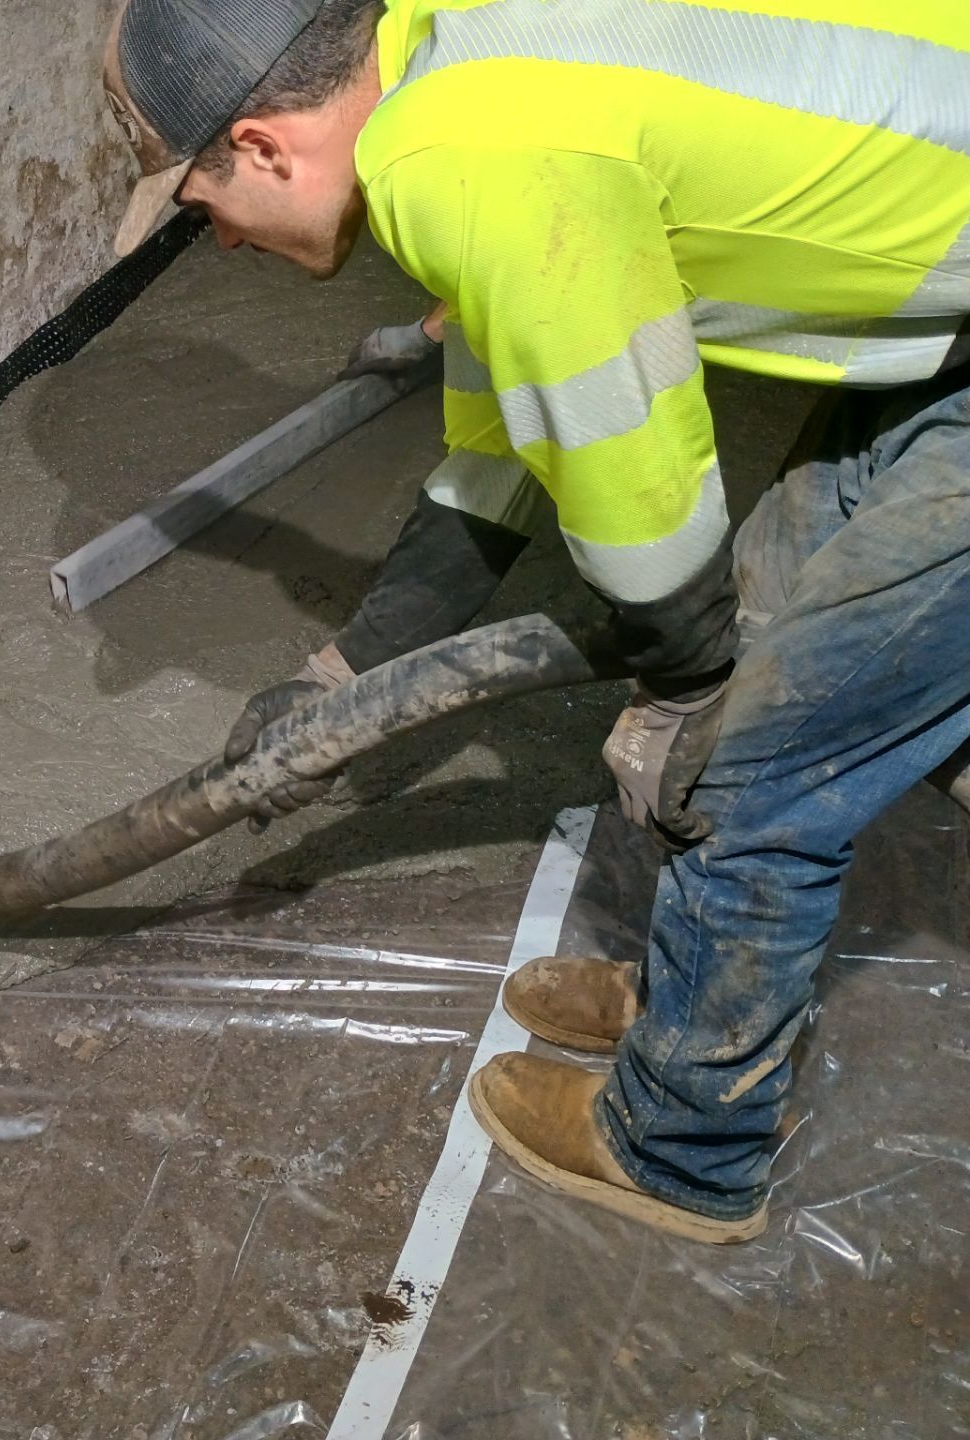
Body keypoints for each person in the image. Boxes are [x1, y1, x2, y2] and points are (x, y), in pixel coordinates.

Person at [99, 0, 970, 1241]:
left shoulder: (469, 169)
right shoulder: (452, 63)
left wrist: (684, 691)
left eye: (203, 206)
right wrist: (346, 671)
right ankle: (697, 995)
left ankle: (685, 1149)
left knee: (755, 757)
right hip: (939, 300)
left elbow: (634, 471)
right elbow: (505, 435)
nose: (224, 242)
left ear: (264, 145)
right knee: (783, 603)